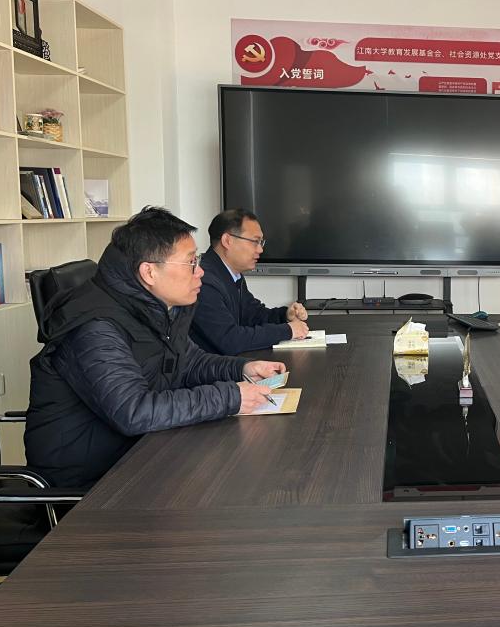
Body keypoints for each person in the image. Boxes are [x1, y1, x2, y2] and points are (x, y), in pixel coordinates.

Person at [25, 207, 283, 489]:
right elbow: (134, 412)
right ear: (149, 272)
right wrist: (231, 397)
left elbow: (189, 361)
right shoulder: (95, 328)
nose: (200, 272)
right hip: (92, 486)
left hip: (143, 454)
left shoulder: (156, 307)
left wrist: (242, 369)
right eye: (191, 262)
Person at [191, 208, 309, 355]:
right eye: (254, 241)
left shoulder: (232, 274)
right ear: (227, 241)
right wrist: (287, 331)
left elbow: (253, 315)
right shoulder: (203, 281)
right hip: (212, 368)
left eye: (261, 242)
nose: (260, 250)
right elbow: (230, 339)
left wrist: (285, 315)